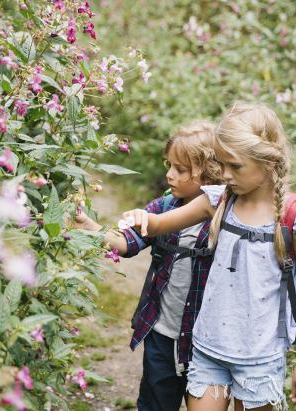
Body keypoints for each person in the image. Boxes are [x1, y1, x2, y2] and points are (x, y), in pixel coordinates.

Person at [120, 102, 296, 411]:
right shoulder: (219, 201)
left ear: (268, 161)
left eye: (235, 165)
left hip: (260, 360)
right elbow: (159, 223)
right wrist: (139, 218)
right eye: (222, 163)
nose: (224, 174)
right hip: (208, 351)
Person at [70, 120, 224, 411]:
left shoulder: (224, 219)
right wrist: (89, 225)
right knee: (155, 404)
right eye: (169, 165)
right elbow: (126, 243)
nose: (169, 174)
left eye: (180, 169)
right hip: (162, 334)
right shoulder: (164, 208)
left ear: (209, 173)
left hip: (206, 342)